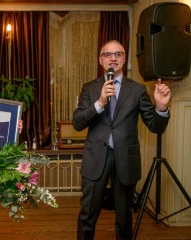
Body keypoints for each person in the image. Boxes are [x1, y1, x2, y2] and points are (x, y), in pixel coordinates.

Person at [72, 40, 171, 240]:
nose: (113, 58)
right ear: (101, 60)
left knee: (124, 217)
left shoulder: (137, 89)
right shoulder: (90, 88)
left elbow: (155, 126)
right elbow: (77, 122)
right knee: (87, 216)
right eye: (108, 54)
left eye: (118, 54)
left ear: (124, 59)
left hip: (126, 159)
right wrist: (99, 103)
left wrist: (160, 108)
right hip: (96, 158)